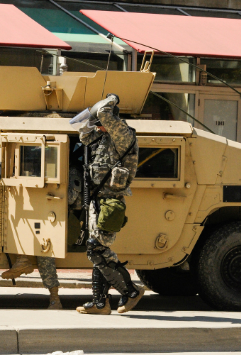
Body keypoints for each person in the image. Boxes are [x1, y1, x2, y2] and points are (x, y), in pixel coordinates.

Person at [75, 93, 144, 315]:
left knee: (96, 248)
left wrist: (111, 100)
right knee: (98, 251)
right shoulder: (105, 137)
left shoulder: (122, 134)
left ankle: (131, 291)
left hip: (110, 202)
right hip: (98, 201)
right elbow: (84, 138)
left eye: (100, 125)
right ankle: (99, 303)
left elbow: (105, 114)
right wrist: (88, 119)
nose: (98, 128)